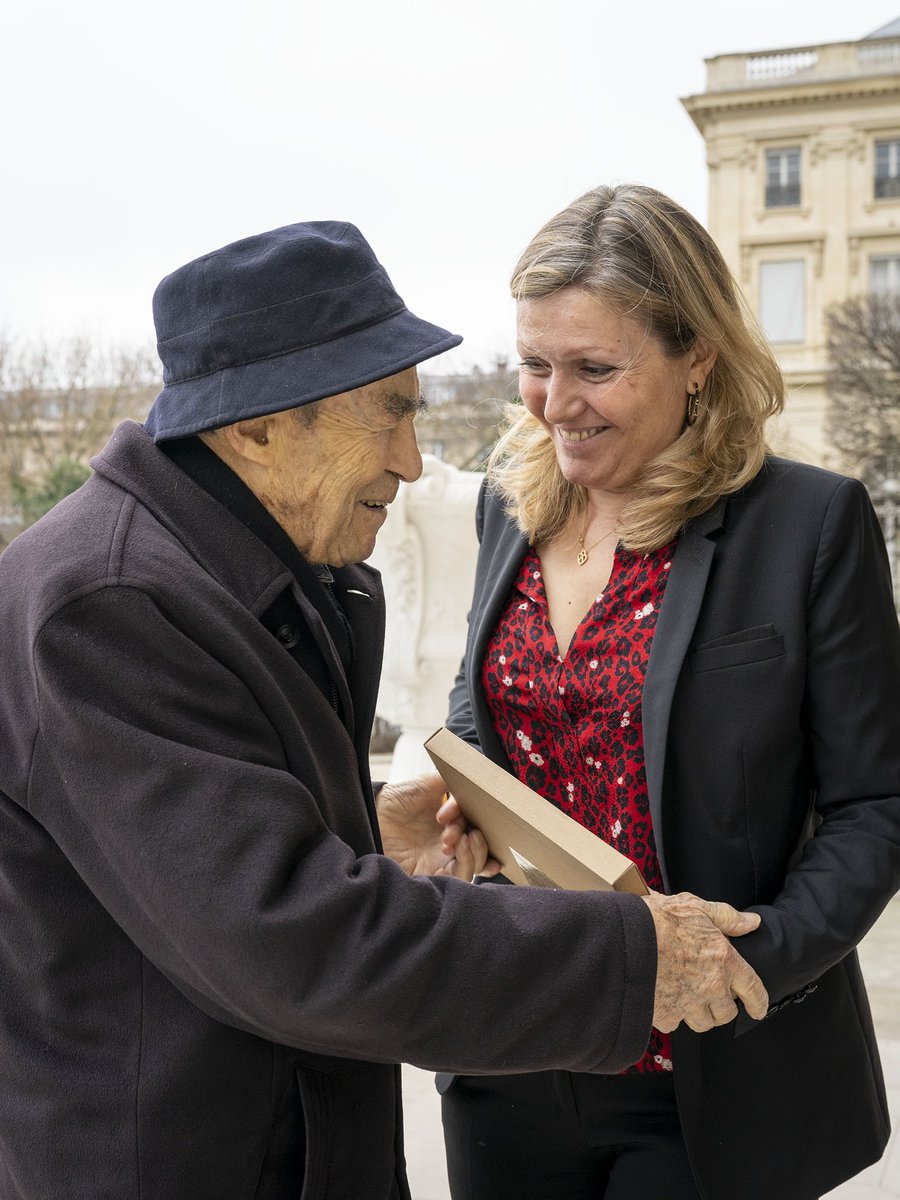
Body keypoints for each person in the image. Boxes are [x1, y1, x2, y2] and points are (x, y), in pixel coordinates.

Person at [0, 220, 768, 1200]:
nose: (413, 461)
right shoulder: (105, 608)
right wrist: (632, 959)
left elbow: (205, 859)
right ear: (257, 427)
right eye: (390, 414)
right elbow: (291, 943)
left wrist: (356, 829)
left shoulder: (241, 571)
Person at [439, 184, 900, 1200]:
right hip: (512, 1048)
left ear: (696, 357)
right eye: (535, 365)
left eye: (595, 369)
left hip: (711, 1077)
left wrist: (754, 965)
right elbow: (493, 711)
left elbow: (875, 806)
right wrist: (453, 802)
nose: (556, 404)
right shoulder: (502, 510)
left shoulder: (810, 525)